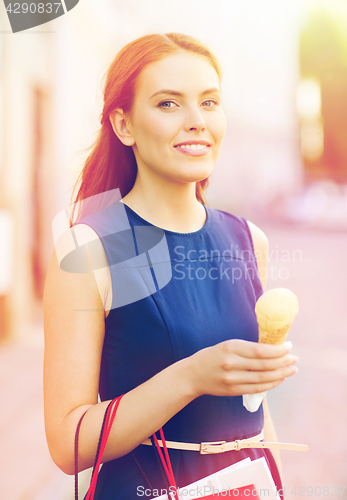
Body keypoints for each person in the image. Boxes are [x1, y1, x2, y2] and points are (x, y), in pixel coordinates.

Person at [43, 33, 299, 499]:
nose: (197, 122)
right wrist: (191, 377)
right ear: (124, 125)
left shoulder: (247, 239)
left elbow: (257, 415)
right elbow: (68, 443)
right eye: (168, 104)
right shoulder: (91, 248)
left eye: (210, 102)